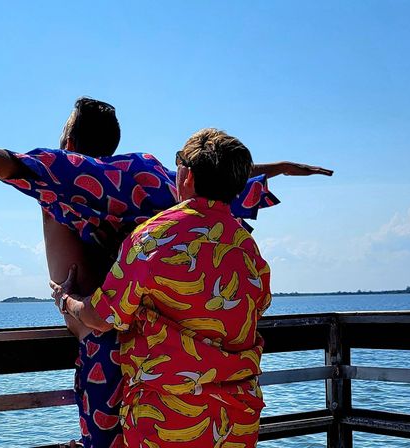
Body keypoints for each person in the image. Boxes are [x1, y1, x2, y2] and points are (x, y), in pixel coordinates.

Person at [0, 101, 331, 447]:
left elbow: (14, 165)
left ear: (68, 144)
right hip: (221, 395)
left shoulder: (88, 183)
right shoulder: (161, 180)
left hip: (127, 357)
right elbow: (215, 185)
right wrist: (272, 169)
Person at [52, 128, 274, 447]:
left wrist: (67, 300)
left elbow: (101, 316)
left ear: (186, 175)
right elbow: (258, 304)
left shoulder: (154, 238)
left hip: (168, 420)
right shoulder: (247, 247)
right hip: (236, 421)